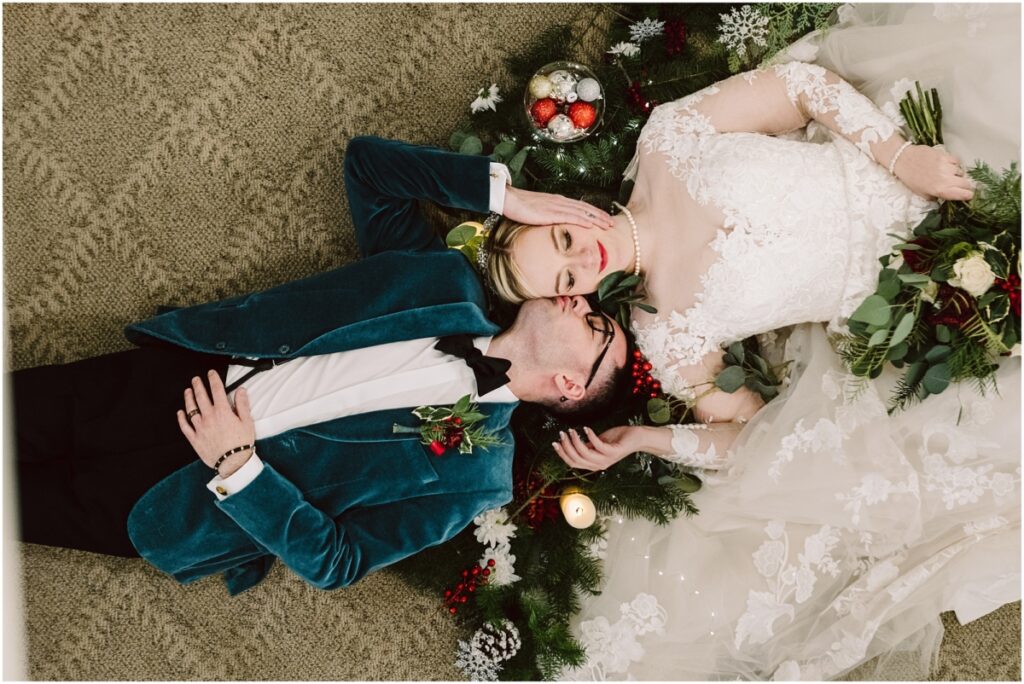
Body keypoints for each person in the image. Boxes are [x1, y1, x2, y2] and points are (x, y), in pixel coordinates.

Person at [482, 4, 1021, 680]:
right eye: (567, 276)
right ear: (571, 297)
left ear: (561, 210)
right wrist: (646, 438)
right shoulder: (665, 331)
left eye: (563, 238)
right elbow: (749, 438)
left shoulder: (667, 139)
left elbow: (801, 88)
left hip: (918, 162)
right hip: (930, 290)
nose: (583, 259)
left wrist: (903, 157)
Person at [10, 136, 630, 595]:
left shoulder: (478, 477)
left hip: (185, 502)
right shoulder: (445, 282)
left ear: (570, 385)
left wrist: (239, 467)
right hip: (174, 383)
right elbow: (370, 167)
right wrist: (507, 197)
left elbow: (339, 561)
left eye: (596, 328)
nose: (583, 300)